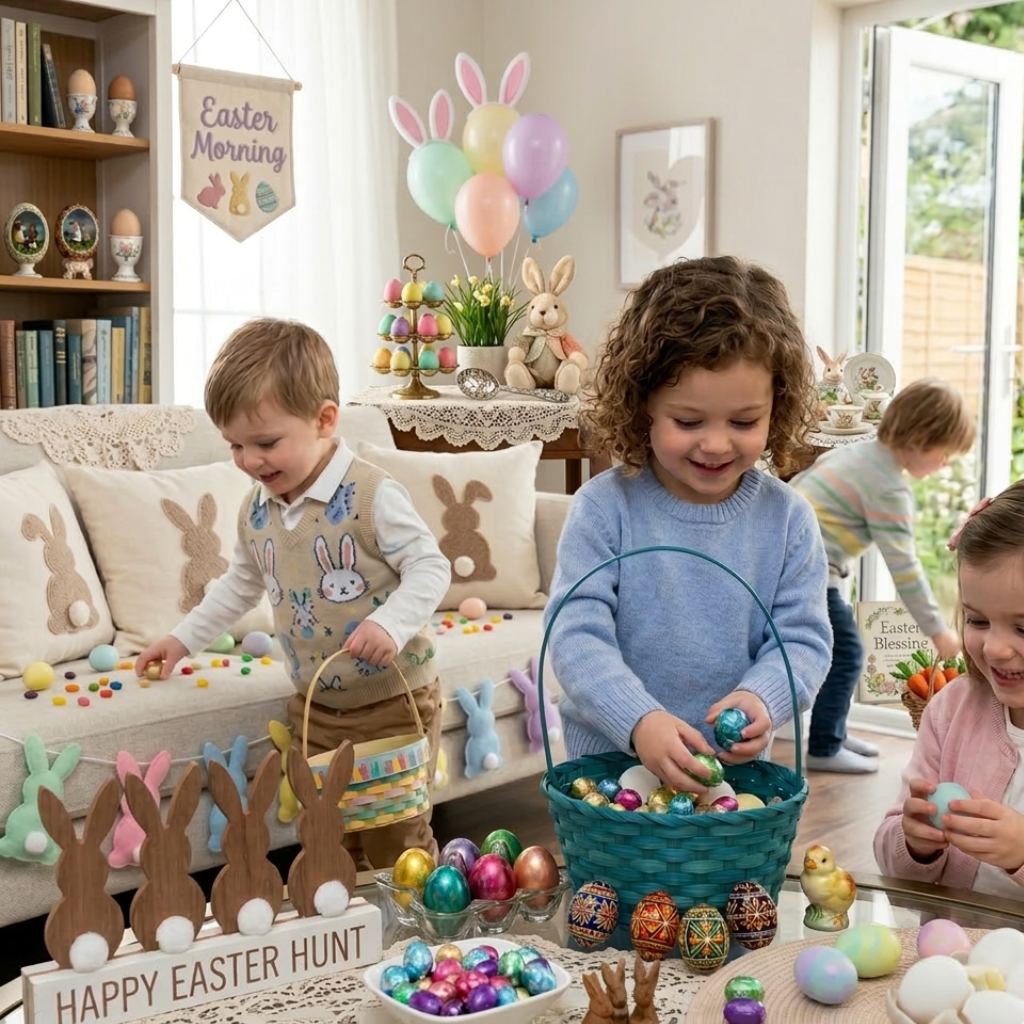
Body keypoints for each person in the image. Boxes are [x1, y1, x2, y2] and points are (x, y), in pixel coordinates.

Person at [135, 318, 451, 866]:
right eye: (235, 445)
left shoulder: (374, 494)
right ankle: (348, 945)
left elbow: (430, 566)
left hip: (391, 703)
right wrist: (182, 640)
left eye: (265, 443)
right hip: (315, 708)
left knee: (395, 840)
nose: (250, 461)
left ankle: (415, 937)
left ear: (325, 420)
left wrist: (390, 625)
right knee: (327, 840)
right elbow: (240, 584)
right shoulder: (256, 510)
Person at [544, 256, 832, 795]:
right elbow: (575, 636)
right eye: (688, 421)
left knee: (725, 883)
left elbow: (803, 641)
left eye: (744, 422)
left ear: (779, 405)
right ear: (642, 403)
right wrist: (637, 721)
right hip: (609, 779)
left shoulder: (788, 519)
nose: (717, 444)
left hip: (732, 781)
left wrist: (763, 697)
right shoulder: (604, 509)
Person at [791, 378, 974, 774]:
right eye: (945, 454)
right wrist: (938, 630)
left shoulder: (856, 453)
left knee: (839, 653)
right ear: (923, 438)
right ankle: (824, 745)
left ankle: (832, 730)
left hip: (791, 565)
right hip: (805, 574)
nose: (945, 464)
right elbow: (904, 569)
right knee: (847, 655)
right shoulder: (889, 487)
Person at [874, 483, 1024, 897]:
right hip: (951, 955)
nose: (994, 648)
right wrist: (914, 844)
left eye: (1023, 627)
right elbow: (893, 865)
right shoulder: (951, 708)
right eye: (977, 621)